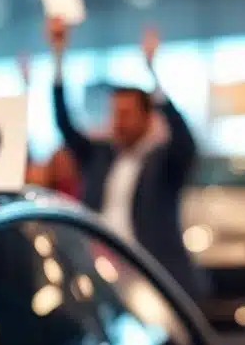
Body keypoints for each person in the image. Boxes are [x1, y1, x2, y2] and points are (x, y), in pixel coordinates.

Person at [47, 17, 207, 300]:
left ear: (147, 117)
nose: (118, 121)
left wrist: (153, 73)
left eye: (126, 114)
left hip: (153, 277)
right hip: (100, 275)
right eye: (114, 113)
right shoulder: (99, 156)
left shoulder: (164, 163)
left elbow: (185, 140)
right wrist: (58, 55)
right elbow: (64, 124)